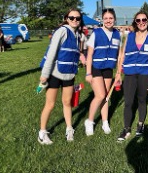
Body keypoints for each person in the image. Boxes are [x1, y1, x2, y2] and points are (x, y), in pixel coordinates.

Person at [38, 8, 84, 145]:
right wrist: (44, 75)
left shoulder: (77, 35)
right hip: (54, 74)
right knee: (50, 104)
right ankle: (42, 132)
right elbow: (52, 53)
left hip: (69, 74)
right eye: (72, 17)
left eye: (77, 18)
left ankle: (69, 129)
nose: (75, 20)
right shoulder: (62, 31)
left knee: (67, 102)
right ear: (66, 18)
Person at [116, 10, 148, 141]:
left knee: (141, 100)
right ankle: (126, 128)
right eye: (138, 20)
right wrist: (118, 73)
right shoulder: (129, 36)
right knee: (128, 101)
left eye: (144, 20)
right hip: (129, 73)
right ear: (135, 23)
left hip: (145, 73)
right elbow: (121, 55)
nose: (141, 23)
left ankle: (140, 125)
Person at [84, 8, 121, 136]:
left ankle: (105, 122)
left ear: (114, 19)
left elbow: (119, 54)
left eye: (111, 18)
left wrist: (119, 72)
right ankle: (89, 121)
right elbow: (89, 54)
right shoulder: (96, 33)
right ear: (102, 20)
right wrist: (88, 73)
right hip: (96, 67)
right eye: (106, 18)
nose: (108, 20)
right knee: (99, 95)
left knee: (106, 96)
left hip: (108, 68)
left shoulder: (117, 34)